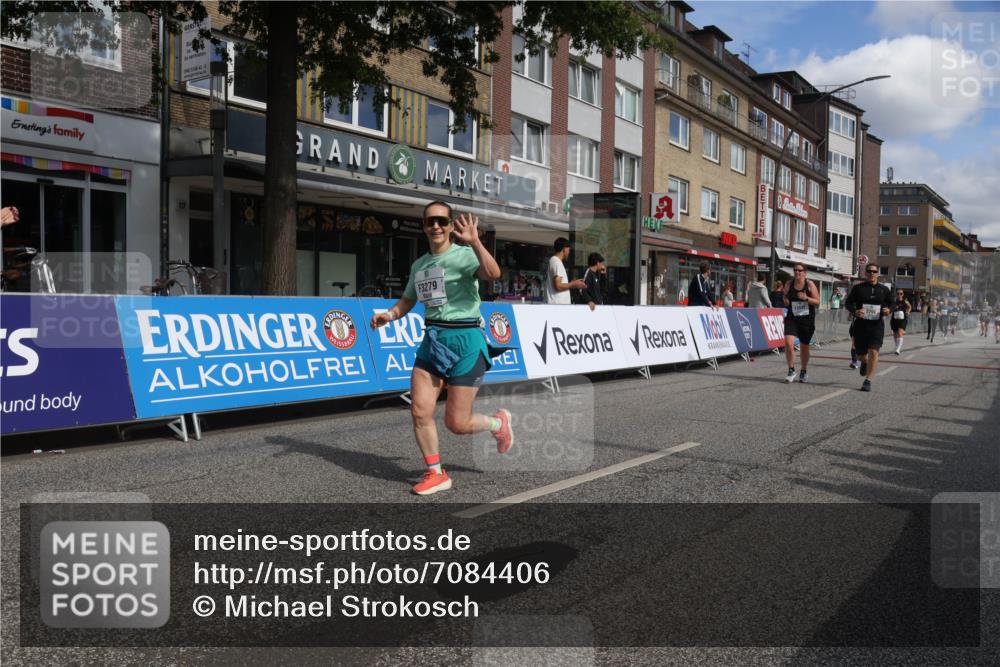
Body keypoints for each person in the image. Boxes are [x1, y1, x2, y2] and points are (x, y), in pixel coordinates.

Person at [370, 201, 513, 495]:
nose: (435, 226)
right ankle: (435, 473)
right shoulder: (419, 265)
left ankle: (497, 423)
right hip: (433, 342)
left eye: (441, 221)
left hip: (466, 342)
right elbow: (408, 299)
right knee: (420, 410)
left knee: (456, 423)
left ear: (450, 226)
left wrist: (475, 242)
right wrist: (390, 315)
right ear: (424, 226)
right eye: (429, 221)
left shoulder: (465, 255)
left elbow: (493, 273)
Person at [844, 263, 894, 392]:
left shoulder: (884, 289)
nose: (872, 273)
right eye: (869, 271)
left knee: (874, 352)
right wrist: (855, 311)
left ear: (878, 273)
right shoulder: (858, 288)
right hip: (861, 326)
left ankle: (868, 380)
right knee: (861, 355)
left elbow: (892, 303)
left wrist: (889, 310)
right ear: (866, 273)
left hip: (876, 326)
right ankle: (864, 362)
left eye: (874, 271)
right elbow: (848, 303)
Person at [781, 263, 820, 383]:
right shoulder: (789, 284)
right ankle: (791, 369)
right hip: (792, 318)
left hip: (806, 319)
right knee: (788, 342)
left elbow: (817, 301)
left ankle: (803, 370)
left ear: (804, 272)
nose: (797, 272)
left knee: (804, 347)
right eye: (795, 270)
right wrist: (785, 300)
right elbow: (785, 298)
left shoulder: (809, 284)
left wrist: (806, 298)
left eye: (800, 270)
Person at [544, 238, 586, 304]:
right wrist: (574, 284)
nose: (569, 252)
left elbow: (558, 284)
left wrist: (572, 284)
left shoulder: (555, 261)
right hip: (558, 307)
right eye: (568, 249)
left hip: (558, 306)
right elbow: (558, 286)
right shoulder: (556, 261)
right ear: (564, 249)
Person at [890, 289, 912, 354]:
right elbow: (890, 307)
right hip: (894, 319)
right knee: (895, 334)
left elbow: (909, 306)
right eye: (898, 293)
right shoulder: (894, 301)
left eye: (901, 293)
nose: (899, 295)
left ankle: (898, 349)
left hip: (902, 319)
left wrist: (908, 311)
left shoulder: (905, 301)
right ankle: (897, 346)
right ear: (896, 294)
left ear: (903, 294)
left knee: (900, 333)